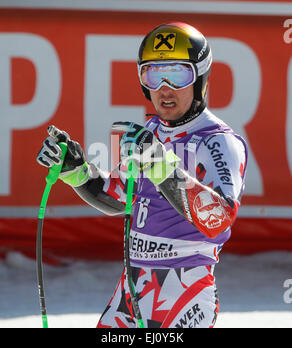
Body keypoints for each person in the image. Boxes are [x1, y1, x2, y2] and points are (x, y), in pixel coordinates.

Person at [37, 22, 248, 328]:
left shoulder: (218, 141)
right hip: (132, 290)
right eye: (152, 74)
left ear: (200, 77)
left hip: (183, 293)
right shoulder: (149, 132)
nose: (164, 88)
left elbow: (219, 218)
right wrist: (77, 170)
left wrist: (161, 166)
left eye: (178, 74)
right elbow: (123, 199)